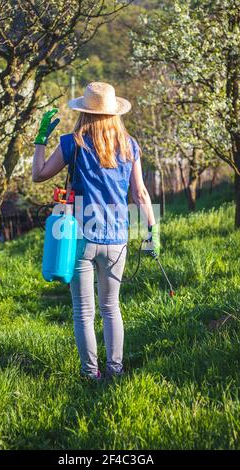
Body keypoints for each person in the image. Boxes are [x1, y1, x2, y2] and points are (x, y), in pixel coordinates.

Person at [32, 82, 159, 381]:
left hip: (80, 239)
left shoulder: (71, 143)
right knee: (111, 308)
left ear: (84, 112)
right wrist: (152, 233)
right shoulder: (130, 145)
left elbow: (38, 175)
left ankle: (91, 375)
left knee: (83, 313)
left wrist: (40, 140)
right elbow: (140, 194)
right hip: (117, 240)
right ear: (114, 112)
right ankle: (116, 371)